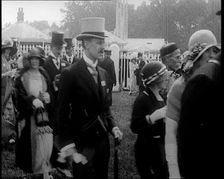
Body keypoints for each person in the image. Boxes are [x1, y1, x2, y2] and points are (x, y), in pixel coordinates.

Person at [55, 17, 123, 179]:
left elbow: (105, 107)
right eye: (98, 42)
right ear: (85, 43)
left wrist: (113, 126)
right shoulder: (70, 73)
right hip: (82, 144)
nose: (103, 47)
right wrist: (68, 146)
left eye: (103, 42)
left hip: (102, 142)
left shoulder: (103, 73)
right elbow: (61, 114)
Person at [165, 29, 220, 179]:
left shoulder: (215, 80)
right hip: (190, 160)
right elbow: (170, 134)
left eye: (215, 52)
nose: (213, 57)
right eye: (210, 52)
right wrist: (174, 171)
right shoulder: (179, 87)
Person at [14, 47, 54, 177]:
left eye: (37, 59)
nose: (35, 62)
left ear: (40, 60)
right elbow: (18, 98)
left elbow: (52, 93)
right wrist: (31, 100)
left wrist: (49, 97)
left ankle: (45, 170)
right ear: (29, 60)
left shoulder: (44, 75)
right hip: (29, 118)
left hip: (43, 116)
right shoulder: (22, 77)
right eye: (32, 59)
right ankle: (32, 170)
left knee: (45, 142)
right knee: (30, 146)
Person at [130, 61, 169, 179]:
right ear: (156, 79)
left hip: (160, 148)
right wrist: (152, 118)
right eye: (164, 76)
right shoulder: (142, 99)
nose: (167, 79)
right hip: (147, 150)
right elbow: (135, 126)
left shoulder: (161, 96)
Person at [43, 32, 70, 102]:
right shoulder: (45, 63)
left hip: (63, 99)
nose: (60, 51)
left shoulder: (66, 64)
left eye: (61, 48)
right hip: (51, 99)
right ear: (51, 47)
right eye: (58, 48)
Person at [1, 38, 17, 145]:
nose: (8, 51)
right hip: (2, 91)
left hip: (7, 89)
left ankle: (8, 136)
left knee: (8, 112)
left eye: (9, 50)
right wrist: (7, 74)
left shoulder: (7, 61)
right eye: (6, 49)